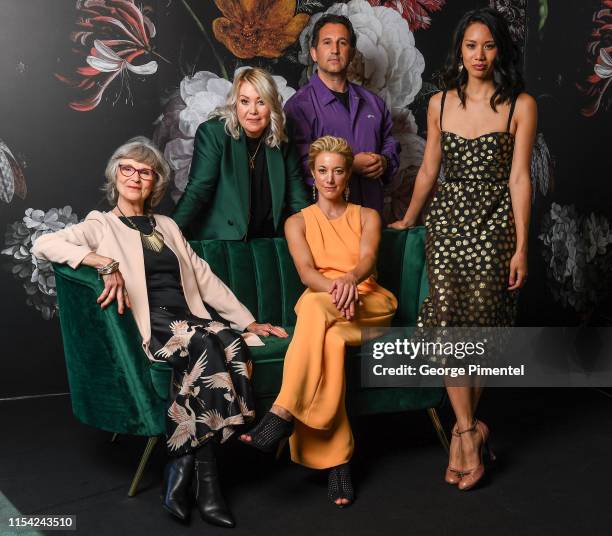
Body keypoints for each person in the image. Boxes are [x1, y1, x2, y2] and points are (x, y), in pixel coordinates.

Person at [33, 137, 288, 527]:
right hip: (155, 324)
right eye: (127, 169)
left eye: (146, 171)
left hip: (189, 315)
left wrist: (247, 320)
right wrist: (99, 259)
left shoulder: (167, 225)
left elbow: (203, 276)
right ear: (115, 176)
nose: (135, 177)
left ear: (156, 183)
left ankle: (182, 463)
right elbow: (44, 243)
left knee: (232, 342)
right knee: (204, 343)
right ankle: (210, 483)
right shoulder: (100, 224)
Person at [389, 7, 536, 490]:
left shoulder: (521, 104)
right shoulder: (439, 103)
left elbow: (519, 178)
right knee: (452, 325)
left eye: (488, 45)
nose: (479, 55)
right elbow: (429, 169)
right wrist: (410, 218)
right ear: (459, 51)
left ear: (500, 50)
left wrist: (520, 248)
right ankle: (470, 432)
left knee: (482, 326)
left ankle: (463, 433)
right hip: (448, 224)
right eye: (471, 45)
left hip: (496, 225)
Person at [240, 136, 398, 507]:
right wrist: (334, 287)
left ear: (348, 176)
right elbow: (308, 273)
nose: (330, 178)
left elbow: (367, 260)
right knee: (329, 340)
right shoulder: (297, 222)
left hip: (367, 302)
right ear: (312, 174)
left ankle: (282, 411)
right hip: (327, 304)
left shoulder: (367, 215)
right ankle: (338, 462)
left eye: (339, 171)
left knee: (311, 309)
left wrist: (348, 281)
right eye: (323, 170)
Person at [172, 67, 309, 240]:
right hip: (221, 240)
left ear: (272, 105)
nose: (253, 111)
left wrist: (316, 233)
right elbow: (198, 191)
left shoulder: (282, 135)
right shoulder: (213, 133)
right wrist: (168, 234)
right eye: (245, 101)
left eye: (261, 102)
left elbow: (297, 195)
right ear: (235, 103)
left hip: (267, 239)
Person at [284, 14, 400, 215]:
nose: (335, 50)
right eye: (327, 42)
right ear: (314, 52)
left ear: (352, 52)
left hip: (372, 216)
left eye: (342, 43)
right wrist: (349, 164)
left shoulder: (373, 103)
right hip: (327, 220)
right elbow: (295, 165)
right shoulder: (299, 107)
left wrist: (385, 161)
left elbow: (389, 141)